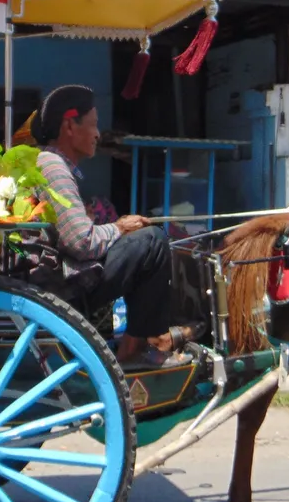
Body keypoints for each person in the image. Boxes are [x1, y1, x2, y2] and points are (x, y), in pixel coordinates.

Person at [33, 85, 189, 370]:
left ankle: (137, 343)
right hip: (62, 285)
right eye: (92, 125)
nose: (97, 134)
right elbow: (81, 242)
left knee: (144, 239)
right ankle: (143, 346)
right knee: (152, 241)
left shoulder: (51, 164)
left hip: (60, 275)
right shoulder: (53, 166)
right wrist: (119, 227)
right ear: (69, 125)